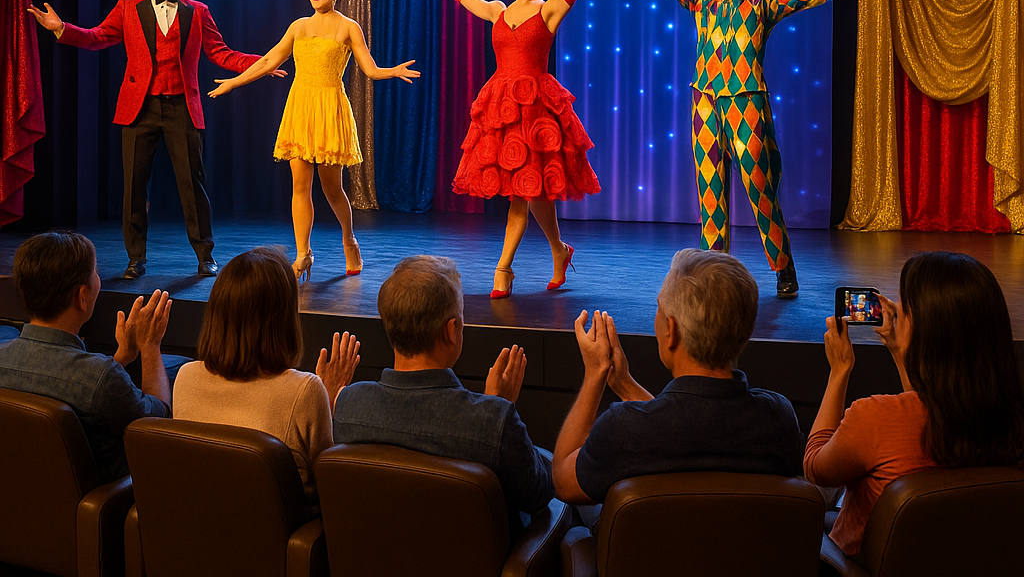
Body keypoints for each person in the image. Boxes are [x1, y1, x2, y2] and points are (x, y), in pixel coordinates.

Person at [605, 0, 875, 296]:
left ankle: (783, 269)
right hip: (704, 104)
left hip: (746, 104)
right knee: (710, 192)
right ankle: (715, 273)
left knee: (759, 188)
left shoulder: (763, 2)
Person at [27, 0, 272, 278]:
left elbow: (222, 53)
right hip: (138, 108)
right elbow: (98, 37)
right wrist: (61, 27)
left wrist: (264, 63)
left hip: (182, 108)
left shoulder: (197, 11)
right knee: (133, 188)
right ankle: (136, 258)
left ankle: (205, 255)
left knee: (193, 185)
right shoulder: (128, 8)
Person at [421, 0, 615, 297]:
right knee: (533, 194)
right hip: (503, 109)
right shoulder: (498, 10)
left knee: (525, 195)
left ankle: (503, 269)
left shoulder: (549, 10)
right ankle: (559, 251)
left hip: (537, 111)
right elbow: (466, 0)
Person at [208, 0, 419, 281]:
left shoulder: (348, 27)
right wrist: (234, 82)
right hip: (301, 107)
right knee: (299, 186)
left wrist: (391, 71)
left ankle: (349, 238)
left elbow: (369, 68)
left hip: (329, 107)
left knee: (332, 188)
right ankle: (304, 253)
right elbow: (268, 60)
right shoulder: (298, 27)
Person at [804, 251, 1024, 558]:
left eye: (903, 311)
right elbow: (928, 405)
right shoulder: (1011, 418)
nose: (896, 316)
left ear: (922, 331)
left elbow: (816, 467)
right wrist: (900, 351)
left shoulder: (875, 418)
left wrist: (839, 371)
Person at [552, 248, 804, 507]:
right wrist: (625, 384)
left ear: (671, 331)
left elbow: (563, 480)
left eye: (659, 308)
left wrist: (596, 374)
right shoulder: (778, 419)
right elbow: (691, 427)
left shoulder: (625, 429)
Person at [332, 256, 553, 532]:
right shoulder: (493, 421)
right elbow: (538, 496)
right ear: (451, 330)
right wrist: (495, 406)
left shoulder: (347, 406)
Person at [173, 246, 359, 509]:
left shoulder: (185, 377)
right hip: (282, 544)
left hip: (199, 537)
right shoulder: (305, 390)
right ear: (283, 320)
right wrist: (329, 400)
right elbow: (329, 488)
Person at [0, 230, 172, 481]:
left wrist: (120, 358)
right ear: (82, 297)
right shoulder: (101, 378)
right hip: (111, 504)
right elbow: (157, 427)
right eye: (96, 273)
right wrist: (150, 347)